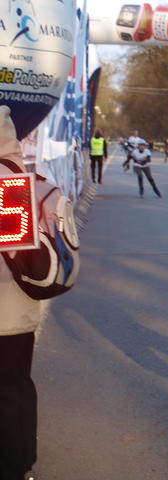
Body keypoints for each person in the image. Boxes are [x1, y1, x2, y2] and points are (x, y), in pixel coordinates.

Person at [0, 106, 40, 480]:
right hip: (15, 312)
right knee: (14, 388)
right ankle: (20, 468)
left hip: (7, 309)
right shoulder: (15, 177)